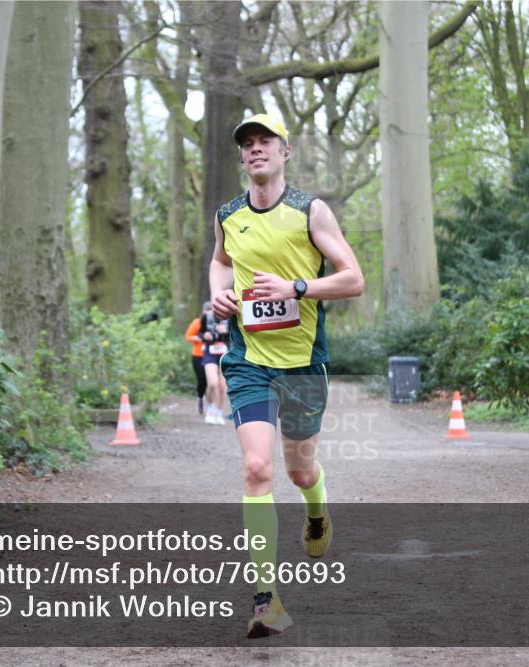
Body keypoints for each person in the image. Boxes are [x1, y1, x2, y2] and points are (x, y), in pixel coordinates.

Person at [209, 114, 364, 638]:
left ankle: (316, 506)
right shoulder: (228, 215)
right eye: (247, 145)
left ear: (284, 152)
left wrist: (296, 288)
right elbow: (220, 261)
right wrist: (219, 293)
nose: (255, 150)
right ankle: (266, 599)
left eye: (264, 142)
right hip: (248, 359)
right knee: (256, 469)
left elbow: (353, 279)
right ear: (242, 157)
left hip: (301, 364)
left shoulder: (308, 211)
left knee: (299, 472)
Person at [199, 306, 230, 425]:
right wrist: (204, 336)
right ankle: (210, 409)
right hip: (210, 353)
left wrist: (226, 332)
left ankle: (218, 411)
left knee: (222, 388)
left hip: (224, 354)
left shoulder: (230, 316)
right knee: (212, 383)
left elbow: (237, 335)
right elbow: (200, 333)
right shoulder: (207, 317)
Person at [184, 305, 209, 416]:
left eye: (211, 310)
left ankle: (210, 403)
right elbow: (188, 336)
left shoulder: (216, 323)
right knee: (201, 379)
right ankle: (200, 397)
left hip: (213, 355)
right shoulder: (197, 322)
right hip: (198, 355)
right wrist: (198, 338)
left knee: (211, 380)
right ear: (203, 311)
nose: (209, 313)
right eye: (207, 310)